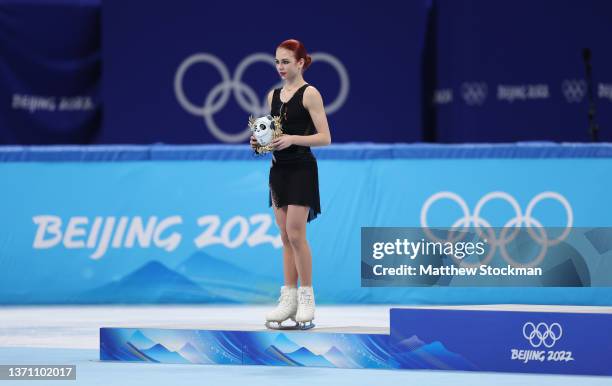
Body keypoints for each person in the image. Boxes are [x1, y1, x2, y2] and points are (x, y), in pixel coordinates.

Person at [250, 39, 331, 329]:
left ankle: (307, 296)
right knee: (284, 236)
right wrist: (261, 144)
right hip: (278, 170)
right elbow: (274, 134)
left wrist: (293, 139)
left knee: (297, 233)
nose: (281, 67)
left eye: (286, 61)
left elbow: (325, 137)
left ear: (300, 62)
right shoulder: (274, 96)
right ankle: (289, 298)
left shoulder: (310, 94)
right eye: (277, 62)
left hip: (302, 169)